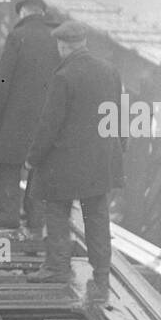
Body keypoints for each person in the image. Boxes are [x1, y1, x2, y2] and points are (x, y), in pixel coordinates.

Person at [27, 21, 125, 301]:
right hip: (100, 160)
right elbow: (119, 114)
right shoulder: (109, 71)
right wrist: (119, 151)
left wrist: (34, 158)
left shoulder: (64, 76)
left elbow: (49, 125)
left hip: (66, 161)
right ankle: (102, 274)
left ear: (63, 45)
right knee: (96, 216)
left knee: (56, 210)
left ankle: (57, 266)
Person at [0, 0, 61, 235]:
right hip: (48, 115)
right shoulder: (57, 38)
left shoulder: (18, 36)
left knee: (10, 164)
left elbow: (3, 78)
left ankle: (8, 216)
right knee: (39, 166)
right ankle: (35, 220)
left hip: (17, 114)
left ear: (24, 13)